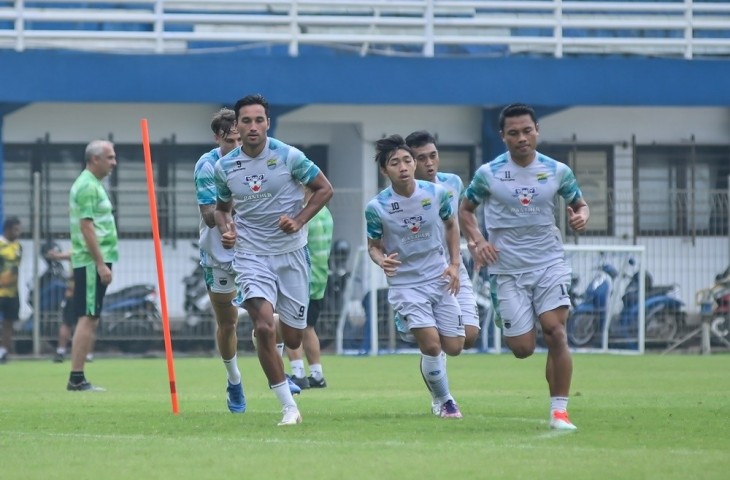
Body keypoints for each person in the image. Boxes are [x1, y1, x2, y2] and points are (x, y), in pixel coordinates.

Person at [458, 103, 589, 431]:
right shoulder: (488, 174)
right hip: (506, 269)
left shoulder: (557, 170)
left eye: (527, 131)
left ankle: (559, 411)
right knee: (522, 348)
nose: (521, 138)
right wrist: (477, 241)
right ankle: (516, 329)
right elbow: (466, 210)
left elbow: (579, 203)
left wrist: (580, 215)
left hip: (549, 262)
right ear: (503, 136)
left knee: (556, 331)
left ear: (537, 131)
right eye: (513, 133)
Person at [214, 93, 334, 426]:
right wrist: (227, 229)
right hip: (251, 254)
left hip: (292, 253)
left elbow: (324, 188)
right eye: (246, 121)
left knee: (293, 336)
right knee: (264, 327)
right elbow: (223, 209)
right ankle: (288, 406)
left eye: (259, 120)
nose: (253, 127)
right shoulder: (225, 167)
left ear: (268, 122)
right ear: (237, 125)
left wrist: (299, 220)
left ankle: (270, 330)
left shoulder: (289, 156)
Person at [365, 134, 465, 419]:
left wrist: (455, 264)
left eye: (407, 160)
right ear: (385, 171)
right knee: (432, 345)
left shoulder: (438, 194)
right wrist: (381, 260)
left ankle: (420, 339)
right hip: (406, 284)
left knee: (455, 346)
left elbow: (451, 226)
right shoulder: (377, 207)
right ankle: (444, 400)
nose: (404, 167)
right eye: (395, 163)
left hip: (439, 276)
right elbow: (373, 246)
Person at [405, 130, 481, 350]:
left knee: (469, 336)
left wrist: (474, 242)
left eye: (433, 155)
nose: (429, 163)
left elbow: (460, 217)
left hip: (453, 266)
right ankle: (419, 329)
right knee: (439, 343)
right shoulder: (401, 196)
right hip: (419, 273)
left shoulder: (453, 183)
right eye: (421, 158)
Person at [194, 108, 248, 412]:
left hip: (253, 251)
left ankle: (281, 375)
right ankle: (234, 380)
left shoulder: (257, 159)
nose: (237, 146)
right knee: (227, 323)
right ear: (218, 138)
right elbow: (209, 217)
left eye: (240, 140)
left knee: (270, 316)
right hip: (218, 254)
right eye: (230, 141)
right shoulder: (207, 166)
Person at [66, 139, 119, 391]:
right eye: (109, 157)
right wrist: (100, 264)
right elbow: (86, 227)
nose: (114, 162)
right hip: (90, 261)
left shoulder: (93, 185)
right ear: (94, 159)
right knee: (87, 317)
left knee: (91, 316)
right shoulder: (87, 186)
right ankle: (76, 377)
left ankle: (78, 376)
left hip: (93, 260)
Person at [286, 186, 334, 389]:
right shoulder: (324, 212)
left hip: (301, 277)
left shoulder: (304, 214)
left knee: (289, 324)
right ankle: (317, 374)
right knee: (308, 327)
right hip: (319, 277)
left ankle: (297, 373)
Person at [45, 244, 94, 364]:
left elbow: (68, 256)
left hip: (76, 292)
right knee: (88, 323)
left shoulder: (78, 248)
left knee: (68, 323)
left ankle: (62, 351)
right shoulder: (95, 247)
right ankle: (87, 353)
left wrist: (55, 255)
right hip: (89, 292)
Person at [0, 216, 22, 364]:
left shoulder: (18, 247)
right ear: (8, 229)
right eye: (16, 229)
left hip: (12, 292)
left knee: (9, 323)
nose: (18, 232)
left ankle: (3, 352)